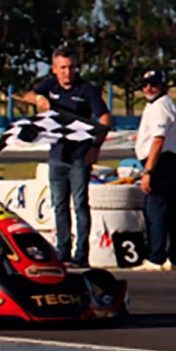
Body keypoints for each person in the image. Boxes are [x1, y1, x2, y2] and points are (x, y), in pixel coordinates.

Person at [17, 46, 112, 268]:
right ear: (55, 69)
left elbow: (105, 118)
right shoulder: (50, 85)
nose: (67, 72)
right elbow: (28, 94)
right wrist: (39, 100)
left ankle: (82, 253)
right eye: (63, 68)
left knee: (79, 204)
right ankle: (62, 251)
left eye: (71, 67)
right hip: (57, 155)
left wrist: (96, 146)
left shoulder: (86, 89)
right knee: (59, 204)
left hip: (80, 156)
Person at [133, 70, 176, 271]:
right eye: (145, 84)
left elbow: (158, 140)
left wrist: (148, 172)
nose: (148, 88)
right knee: (170, 212)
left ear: (162, 85)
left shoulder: (159, 107)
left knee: (156, 211)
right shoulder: (160, 104)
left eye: (153, 84)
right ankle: (174, 256)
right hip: (168, 162)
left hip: (161, 163)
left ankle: (156, 257)